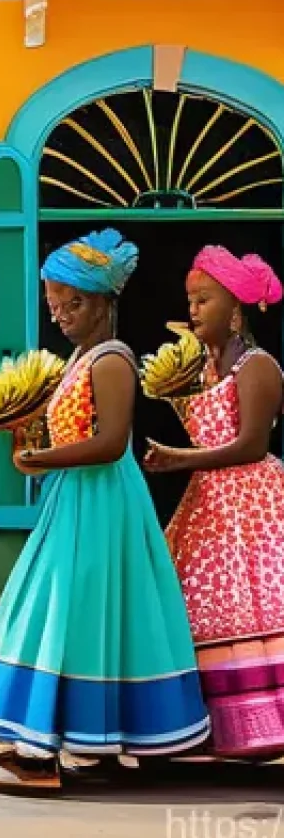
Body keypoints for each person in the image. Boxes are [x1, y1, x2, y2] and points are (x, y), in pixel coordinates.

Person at [0, 229, 209, 788]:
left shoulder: (111, 360)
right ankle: (99, 746)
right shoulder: (80, 359)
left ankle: (41, 755)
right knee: (91, 616)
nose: (61, 314)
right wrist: (32, 443)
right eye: (55, 305)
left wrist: (43, 459)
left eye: (73, 303)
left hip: (99, 502)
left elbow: (112, 442)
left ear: (103, 304)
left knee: (67, 613)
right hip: (78, 500)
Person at [143, 246, 284, 760]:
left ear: (237, 311)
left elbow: (252, 446)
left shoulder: (257, 366)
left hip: (254, 508)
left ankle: (261, 726)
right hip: (211, 506)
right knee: (200, 610)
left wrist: (182, 458)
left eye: (204, 300)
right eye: (191, 301)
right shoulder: (205, 367)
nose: (194, 311)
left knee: (254, 610)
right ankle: (215, 728)